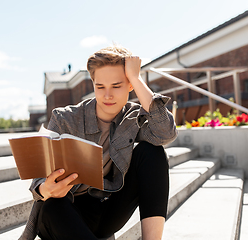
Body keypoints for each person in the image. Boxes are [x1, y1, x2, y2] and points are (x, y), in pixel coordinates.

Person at [20, 45, 177, 240]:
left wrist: (136, 78)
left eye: (116, 86)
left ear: (130, 86)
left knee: (152, 153)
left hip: (104, 209)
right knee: (53, 205)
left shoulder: (133, 118)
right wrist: (46, 189)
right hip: (63, 212)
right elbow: (38, 181)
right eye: (100, 87)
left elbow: (166, 134)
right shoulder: (64, 118)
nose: (107, 95)